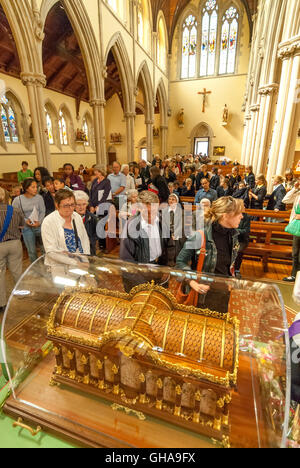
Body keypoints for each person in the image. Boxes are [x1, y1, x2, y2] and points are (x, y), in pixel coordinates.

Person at [176, 197, 243, 314]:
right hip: (202, 295)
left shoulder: (233, 235)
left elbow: (228, 264)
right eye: (239, 213)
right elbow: (180, 261)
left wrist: (232, 278)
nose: (242, 216)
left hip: (222, 292)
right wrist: (192, 282)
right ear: (225, 216)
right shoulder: (200, 236)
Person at [120, 191, 168, 292]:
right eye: (148, 212)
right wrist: (141, 285)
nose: (153, 216)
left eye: (155, 211)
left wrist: (167, 268)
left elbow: (169, 244)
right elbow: (126, 261)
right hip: (140, 274)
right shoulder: (131, 227)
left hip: (158, 268)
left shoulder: (161, 220)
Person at [41, 189, 90, 255]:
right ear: (57, 205)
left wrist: (86, 257)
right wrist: (74, 262)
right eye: (66, 205)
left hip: (80, 260)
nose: (70, 208)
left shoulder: (76, 216)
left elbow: (84, 240)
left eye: (72, 204)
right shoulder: (48, 221)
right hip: (61, 263)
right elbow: (51, 251)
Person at [0, 187, 24, 314]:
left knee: (0, 274)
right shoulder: (15, 210)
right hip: (15, 244)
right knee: (17, 271)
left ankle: (2, 304)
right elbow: (22, 225)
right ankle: (20, 295)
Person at [12, 178, 45, 263]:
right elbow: (15, 214)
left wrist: (39, 221)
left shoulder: (39, 198)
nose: (36, 189)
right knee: (31, 251)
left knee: (44, 248)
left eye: (36, 187)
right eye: (33, 187)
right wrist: (25, 220)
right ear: (26, 188)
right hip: (26, 228)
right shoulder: (17, 200)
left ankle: (48, 266)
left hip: (39, 226)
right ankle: (35, 268)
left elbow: (42, 211)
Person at [282, 180, 300, 282]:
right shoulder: (297, 194)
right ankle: (294, 275)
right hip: (296, 226)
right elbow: (285, 200)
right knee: (295, 253)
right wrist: (295, 188)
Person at [162, 193, 186, 267]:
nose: (171, 201)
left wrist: (175, 234)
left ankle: (177, 262)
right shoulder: (164, 211)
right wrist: (169, 234)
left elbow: (182, 225)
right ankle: (167, 262)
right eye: (169, 199)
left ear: (177, 201)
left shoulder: (182, 212)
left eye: (173, 199)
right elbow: (163, 224)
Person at [74, 190, 98, 256]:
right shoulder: (70, 218)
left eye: (84, 204)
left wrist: (90, 241)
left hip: (88, 251)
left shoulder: (92, 218)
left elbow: (97, 234)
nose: (81, 207)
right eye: (78, 205)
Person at [234, 200, 251, 277]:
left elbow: (246, 230)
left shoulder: (247, 217)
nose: (244, 207)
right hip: (233, 238)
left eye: (244, 206)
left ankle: (237, 269)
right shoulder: (233, 215)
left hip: (242, 239)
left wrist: (235, 231)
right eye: (242, 206)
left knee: (238, 250)